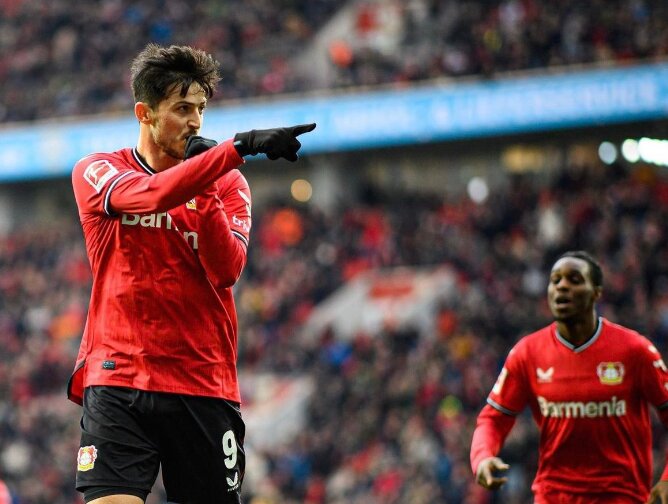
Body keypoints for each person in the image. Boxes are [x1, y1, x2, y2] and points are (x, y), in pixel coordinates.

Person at [67, 43, 315, 504]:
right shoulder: (98, 170)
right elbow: (151, 195)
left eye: (200, 108)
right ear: (145, 113)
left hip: (202, 382)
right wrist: (234, 150)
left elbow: (226, 270)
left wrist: (207, 183)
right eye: (182, 109)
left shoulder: (228, 184)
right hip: (119, 378)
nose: (196, 122)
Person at [470, 251, 668, 504]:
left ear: (596, 292)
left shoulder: (634, 351)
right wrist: (482, 457)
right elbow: (493, 419)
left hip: (620, 497)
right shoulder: (528, 353)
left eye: (575, 280)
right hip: (553, 496)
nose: (562, 286)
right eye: (555, 280)